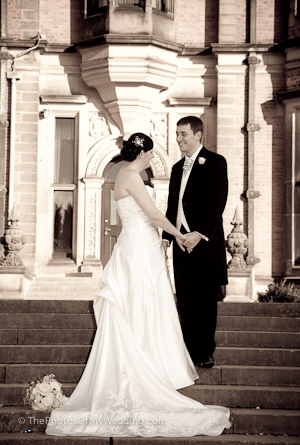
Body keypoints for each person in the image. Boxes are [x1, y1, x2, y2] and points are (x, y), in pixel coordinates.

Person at [45, 132, 230, 437]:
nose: (148, 162)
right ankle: (146, 363)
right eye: (148, 156)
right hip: (139, 249)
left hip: (142, 245)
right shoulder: (130, 176)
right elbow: (155, 214)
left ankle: (153, 359)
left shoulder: (125, 175)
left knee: (147, 302)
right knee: (142, 301)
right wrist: (181, 236)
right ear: (143, 154)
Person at [162, 116, 228, 369]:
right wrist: (168, 238)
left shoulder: (215, 162)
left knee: (205, 299)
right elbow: (172, 206)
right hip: (180, 243)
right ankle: (187, 350)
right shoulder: (177, 168)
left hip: (205, 242)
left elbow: (218, 202)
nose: (178, 139)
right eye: (177, 134)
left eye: (183, 134)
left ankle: (204, 351)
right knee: (186, 299)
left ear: (198, 135)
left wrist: (199, 233)